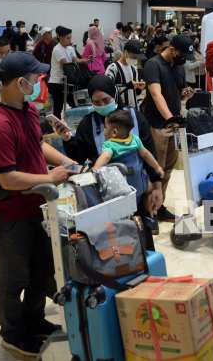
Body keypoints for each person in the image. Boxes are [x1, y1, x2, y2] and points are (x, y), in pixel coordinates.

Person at [0, 52, 79, 358]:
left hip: (38, 207)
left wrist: (67, 162)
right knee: (14, 276)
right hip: (10, 214)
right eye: (36, 79)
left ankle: (35, 319)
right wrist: (49, 177)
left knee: (41, 269)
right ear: (20, 82)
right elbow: (8, 179)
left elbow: (38, 145)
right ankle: (12, 333)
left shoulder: (27, 109)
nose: (40, 82)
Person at [53, 76, 163, 239]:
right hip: (106, 201)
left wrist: (157, 187)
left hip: (137, 197)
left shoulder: (135, 117)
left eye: (106, 100)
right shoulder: (88, 123)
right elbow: (80, 156)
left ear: (115, 95)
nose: (102, 105)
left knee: (141, 243)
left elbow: (149, 153)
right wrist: (67, 138)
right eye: (96, 102)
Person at [142, 34, 196, 225]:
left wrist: (185, 96)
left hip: (174, 127)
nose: (184, 60)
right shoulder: (153, 65)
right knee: (154, 171)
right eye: (181, 55)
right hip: (157, 126)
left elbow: (179, 94)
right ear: (172, 49)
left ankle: (159, 206)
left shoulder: (179, 66)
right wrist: (170, 119)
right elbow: (156, 95)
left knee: (167, 170)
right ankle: (149, 213)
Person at [48, 26, 91, 119]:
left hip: (68, 83)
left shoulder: (70, 48)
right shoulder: (57, 49)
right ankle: (57, 128)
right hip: (57, 82)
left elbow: (76, 60)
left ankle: (73, 123)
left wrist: (85, 60)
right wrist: (81, 62)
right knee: (58, 108)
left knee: (74, 104)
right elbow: (66, 64)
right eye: (68, 38)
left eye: (70, 38)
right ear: (61, 38)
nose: (70, 40)